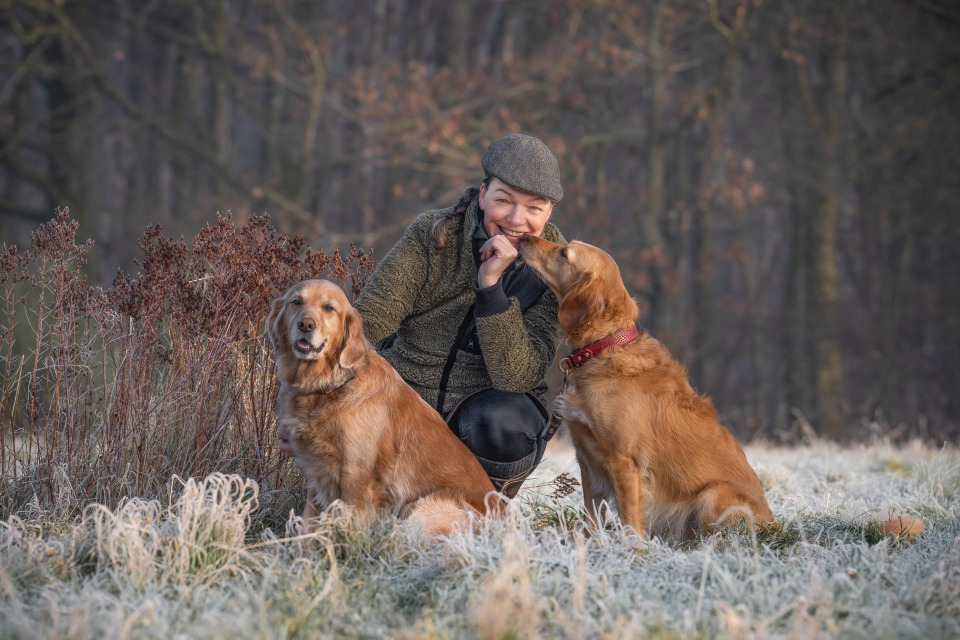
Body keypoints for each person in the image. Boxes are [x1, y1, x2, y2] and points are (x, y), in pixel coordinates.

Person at [353, 133, 566, 497]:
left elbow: (517, 376)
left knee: (506, 422)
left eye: (534, 208)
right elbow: (365, 323)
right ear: (483, 195)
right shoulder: (432, 235)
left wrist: (490, 287)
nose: (516, 219)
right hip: (405, 400)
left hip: (481, 419)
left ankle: (479, 510)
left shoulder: (555, 269)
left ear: (548, 213)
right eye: (503, 200)